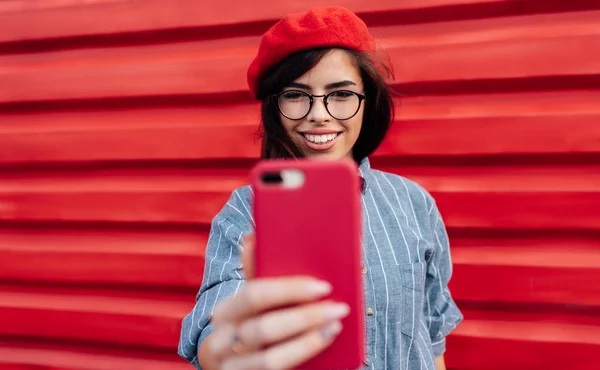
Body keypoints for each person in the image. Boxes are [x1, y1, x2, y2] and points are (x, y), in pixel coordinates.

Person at [178, 6, 463, 370]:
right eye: (296, 95)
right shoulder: (247, 211)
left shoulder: (414, 202)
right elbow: (218, 330)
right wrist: (230, 348)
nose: (319, 114)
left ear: (368, 102)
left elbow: (433, 336)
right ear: (275, 108)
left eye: (341, 94)